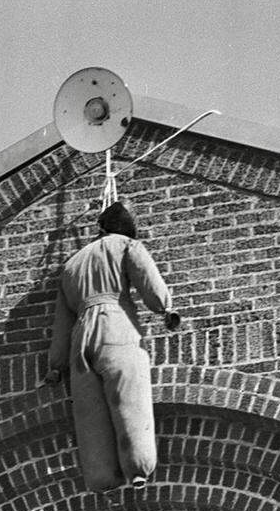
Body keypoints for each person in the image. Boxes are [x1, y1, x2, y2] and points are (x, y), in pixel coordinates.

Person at [44, 201, 180, 492]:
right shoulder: (126, 246)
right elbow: (148, 281)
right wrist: (165, 309)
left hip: (80, 337)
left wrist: (56, 366)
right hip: (116, 324)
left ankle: (101, 477)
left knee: (89, 410)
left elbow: (61, 322)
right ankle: (138, 468)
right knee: (129, 399)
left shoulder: (71, 265)